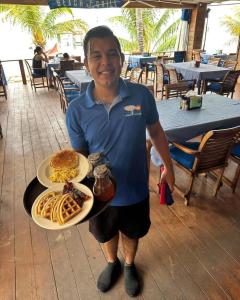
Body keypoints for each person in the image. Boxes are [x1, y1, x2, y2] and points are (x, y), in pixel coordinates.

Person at [66, 26, 175, 297]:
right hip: (99, 194)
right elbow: (79, 155)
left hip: (136, 187)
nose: (105, 62)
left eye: (112, 54)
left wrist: (168, 167)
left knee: (132, 231)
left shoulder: (140, 96)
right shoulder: (77, 110)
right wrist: (71, 187)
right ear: (86, 62)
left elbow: (157, 131)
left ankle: (128, 265)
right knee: (105, 234)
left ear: (122, 58)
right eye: (97, 55)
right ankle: (111, 262)